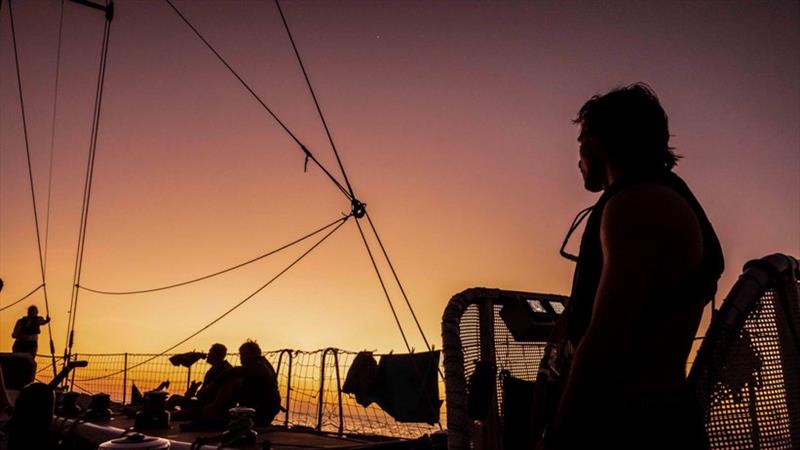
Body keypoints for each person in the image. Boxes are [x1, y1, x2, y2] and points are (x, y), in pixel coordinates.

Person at [539, 84, 724, 449]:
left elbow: (607, 340)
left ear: (597, 140)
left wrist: (558, 435)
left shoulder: (637, 206)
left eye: (580, 142)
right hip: (654, 414)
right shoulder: (658, 196)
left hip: (632, 425)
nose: (577, 158)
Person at [167, 343, 232, 411]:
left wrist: (193, 393)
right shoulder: (218, 368)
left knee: (173, 401)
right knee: (174, 397)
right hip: (203, 401)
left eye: (210, 352)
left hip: (206, 404)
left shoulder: (220, 369)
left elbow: (209, 391)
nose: (208, 355)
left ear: (215, 355)